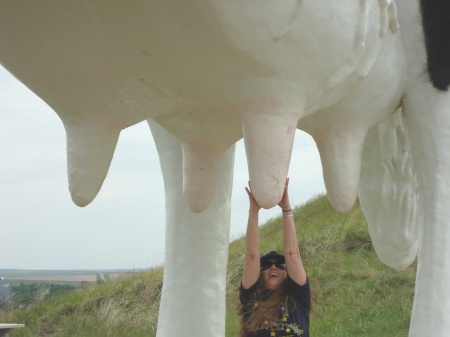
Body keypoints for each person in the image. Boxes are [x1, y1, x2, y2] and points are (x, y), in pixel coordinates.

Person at [239, 178, 310, 337]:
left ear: (288, 273)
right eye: (266, 265)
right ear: (260, 274)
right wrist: (253, 211)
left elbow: (292, 255)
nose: (273, 267)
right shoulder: (251, 297)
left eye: (280, 265)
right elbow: (252, 256)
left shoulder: (298, 297)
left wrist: (286, 208)